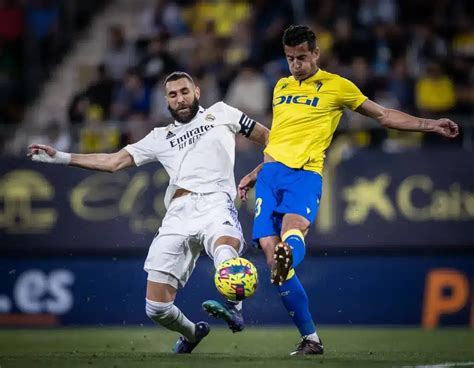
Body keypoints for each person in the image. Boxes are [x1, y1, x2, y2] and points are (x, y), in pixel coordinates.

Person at [237, 25, 459, 356]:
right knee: (270, 254)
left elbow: (382, 115)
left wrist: (431, 124)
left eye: (301, 58)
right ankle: (310, 339)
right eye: (289, 59)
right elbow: (277, 137)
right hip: (270, 175)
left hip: (304, 174)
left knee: (292, 230)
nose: (295, 65)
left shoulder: (337, 86)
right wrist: (256, 171)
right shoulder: (281, 87)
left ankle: (289, 257)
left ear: (315, 54)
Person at [27, 71, 269, 353]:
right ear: (166, 100)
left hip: (216, 202)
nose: (180, 99)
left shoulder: (222, 113)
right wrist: (61, 157)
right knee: (156, 308)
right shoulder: (160, 137)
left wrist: (260, 170)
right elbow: (113, 161)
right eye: (173, 95)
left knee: (225, 252)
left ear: (197, 92)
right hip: (177, 213)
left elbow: (269, 138)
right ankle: (191, 333)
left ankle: (234, 307)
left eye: (184, 91)